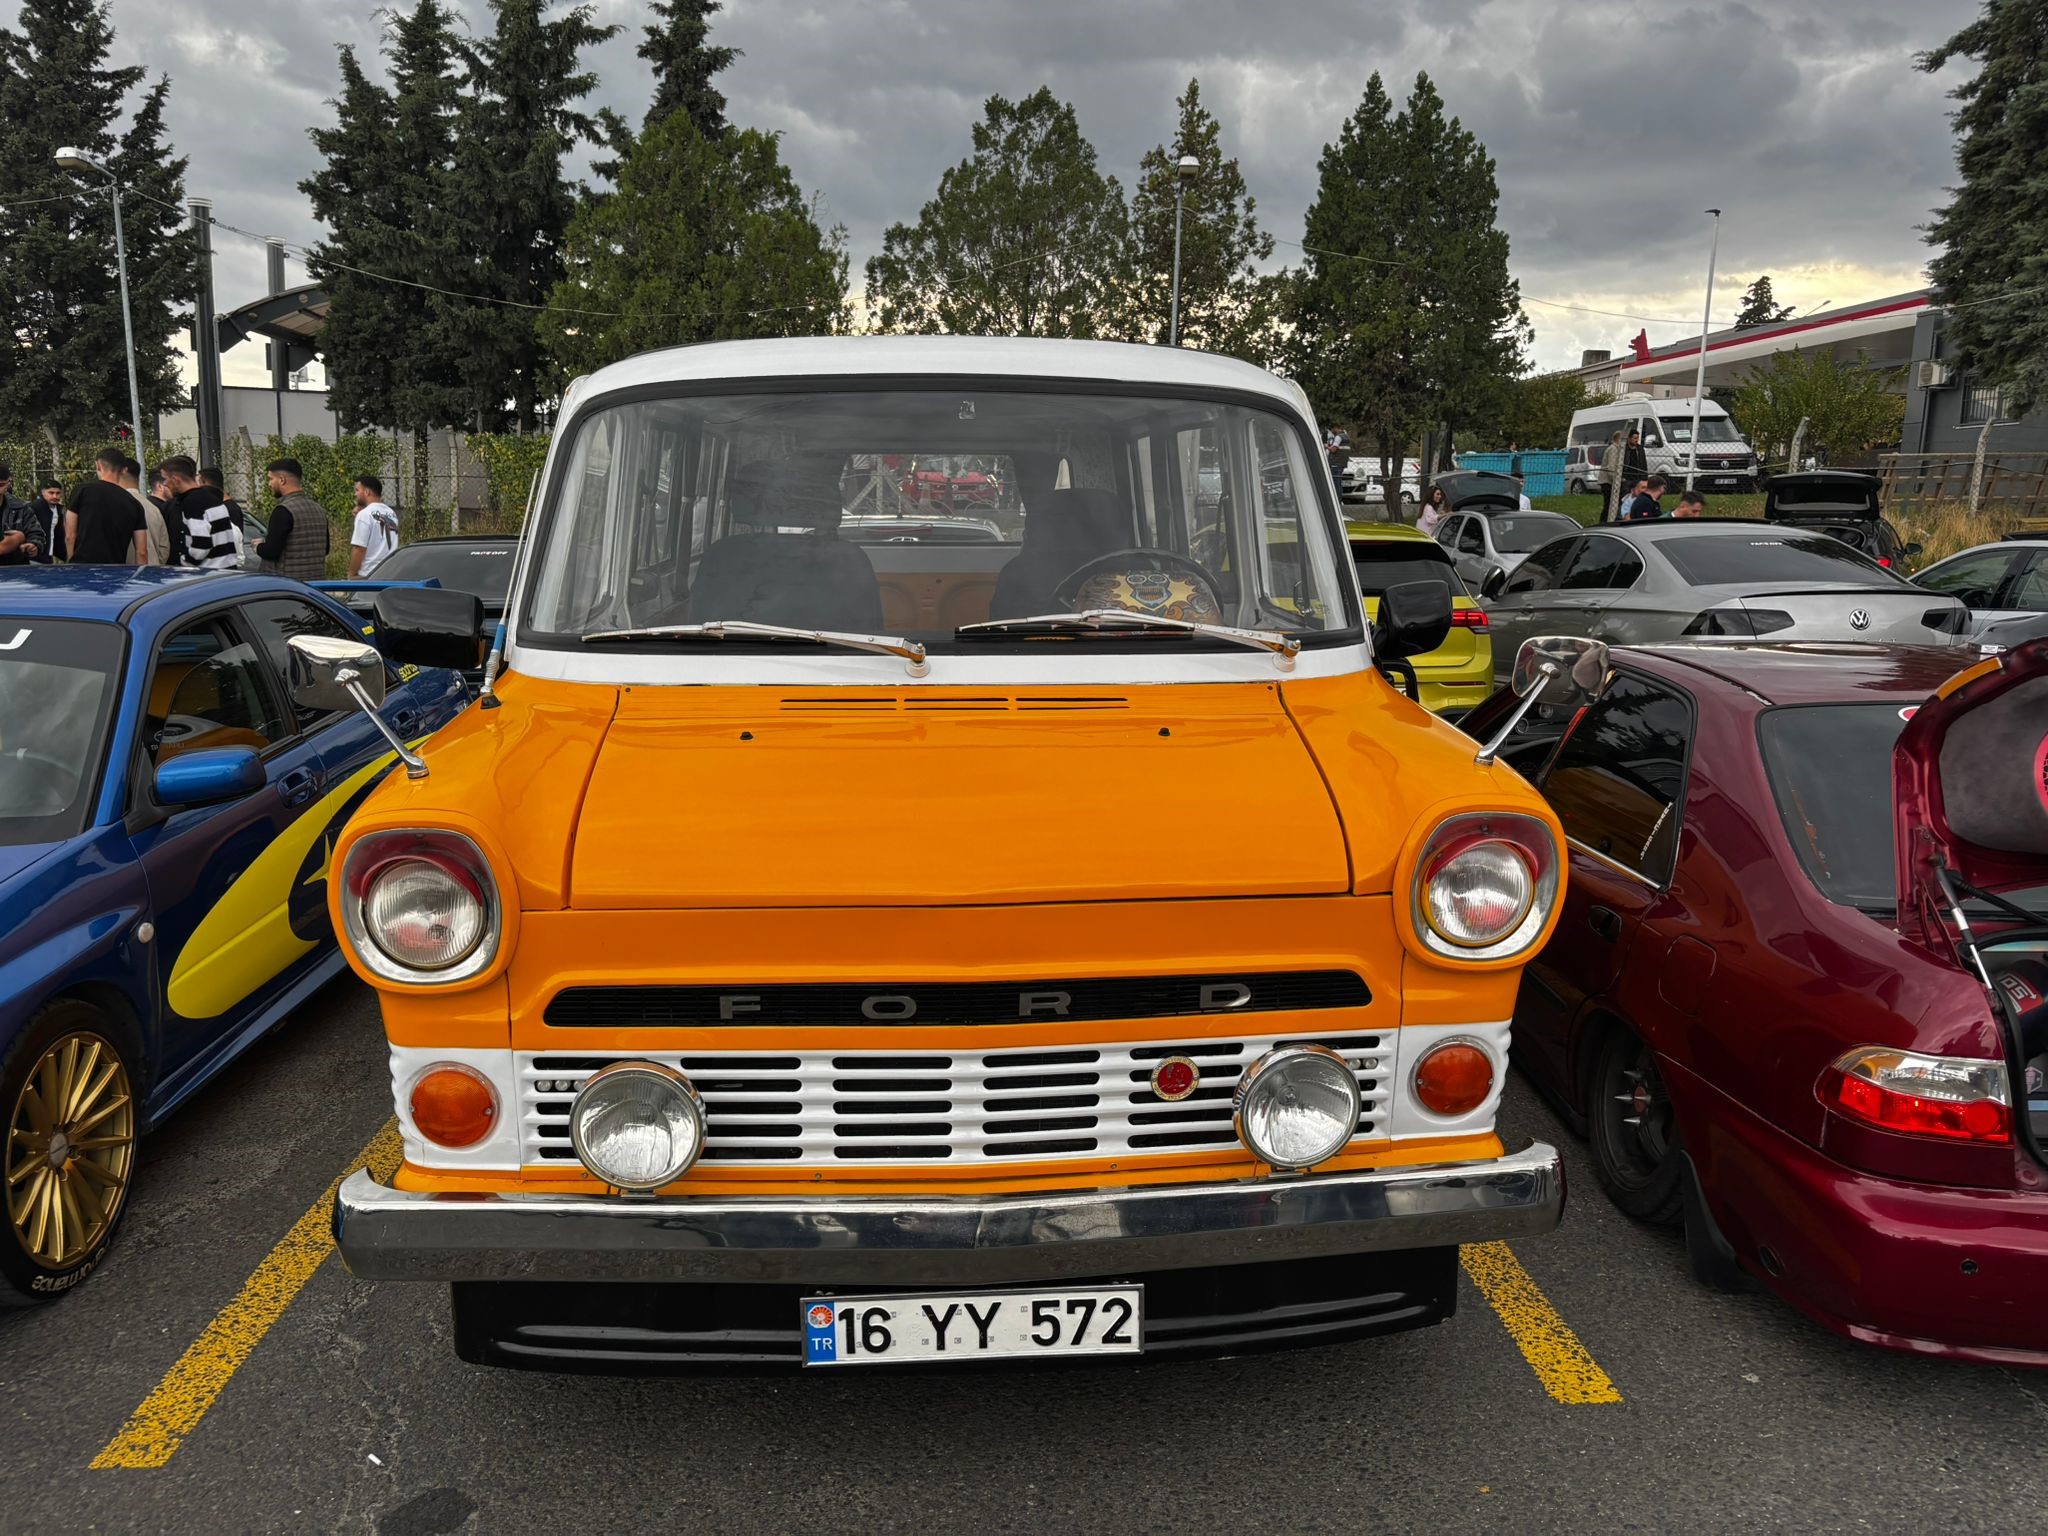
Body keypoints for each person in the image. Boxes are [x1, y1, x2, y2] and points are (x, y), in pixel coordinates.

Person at [65, 448, 148, 565]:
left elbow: (70, 535)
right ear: (123, 470)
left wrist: (71, 562)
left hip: (83, 568)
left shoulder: (82, 491)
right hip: (116, 571)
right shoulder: (134, 503)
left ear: (98, 465)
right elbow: (142, 551)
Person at [256, 457, 332, 580]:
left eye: (270, 479)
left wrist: (258, 546)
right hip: (316, 586)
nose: (269, 484)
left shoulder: (283, 510)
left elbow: (271, 552)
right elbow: (325, 549)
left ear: (281, 480)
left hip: (288, 586)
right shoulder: (318, 509)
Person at [162, 455, 238, 569]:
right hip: (225, 570)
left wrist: (184, 562)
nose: (164, 484)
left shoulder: (192, 502)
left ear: (175, 479)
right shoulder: (211, 498)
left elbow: (201, 546)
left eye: (165, 478)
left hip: (208, 575)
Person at [119, 456, 170, 565]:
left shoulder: (117, 506)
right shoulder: (154, 509)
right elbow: (164, 549)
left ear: (122, 472)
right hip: (154, 571)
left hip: (127, 574)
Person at [347, 473, 400, 577]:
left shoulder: (364, 515)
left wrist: (351, 574)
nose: (355, 494)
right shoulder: (391, 513)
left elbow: (359, 549)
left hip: (369, 575)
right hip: (389, 573)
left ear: (367, 492)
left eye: (357, 490)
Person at [1599, 431, 1625, 523]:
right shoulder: (1613, 449)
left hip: (1610, 481)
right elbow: (1611, 467)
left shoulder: (1617, 449)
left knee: (1610, 504)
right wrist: (1617, 479)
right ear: (1618, 439)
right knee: (1608, 505)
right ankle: (1604, 522)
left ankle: (1606, 521)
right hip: (1608, 482)